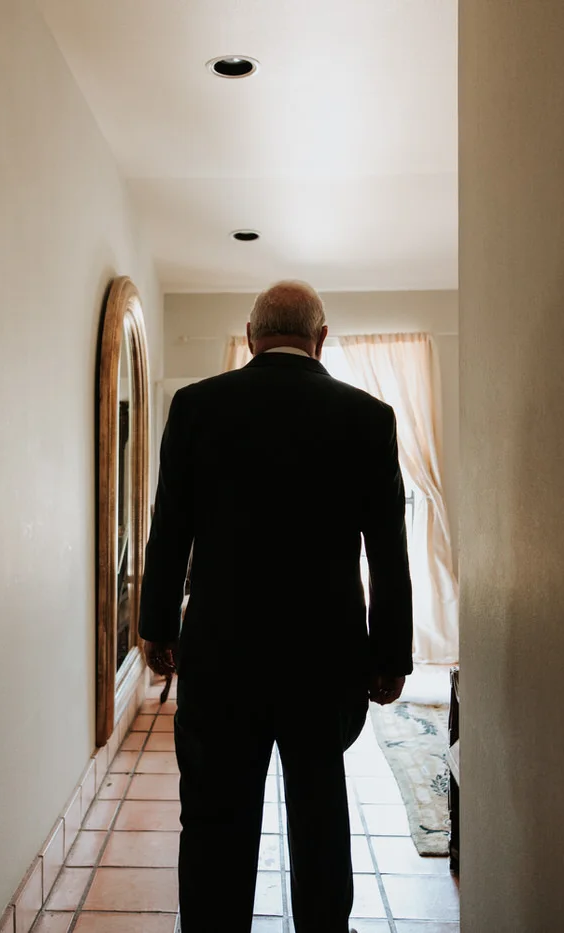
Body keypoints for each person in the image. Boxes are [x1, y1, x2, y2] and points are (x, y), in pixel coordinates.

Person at [139, 280, 414, 932]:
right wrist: (391, 653)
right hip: (326, 664)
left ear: (252, 334)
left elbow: (169, 528)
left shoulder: (197, 407)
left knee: (214, 823)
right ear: (321, 339)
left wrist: (156, 626)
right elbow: (388, 550)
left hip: (220, 658)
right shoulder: (367, 418)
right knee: (320, 817)